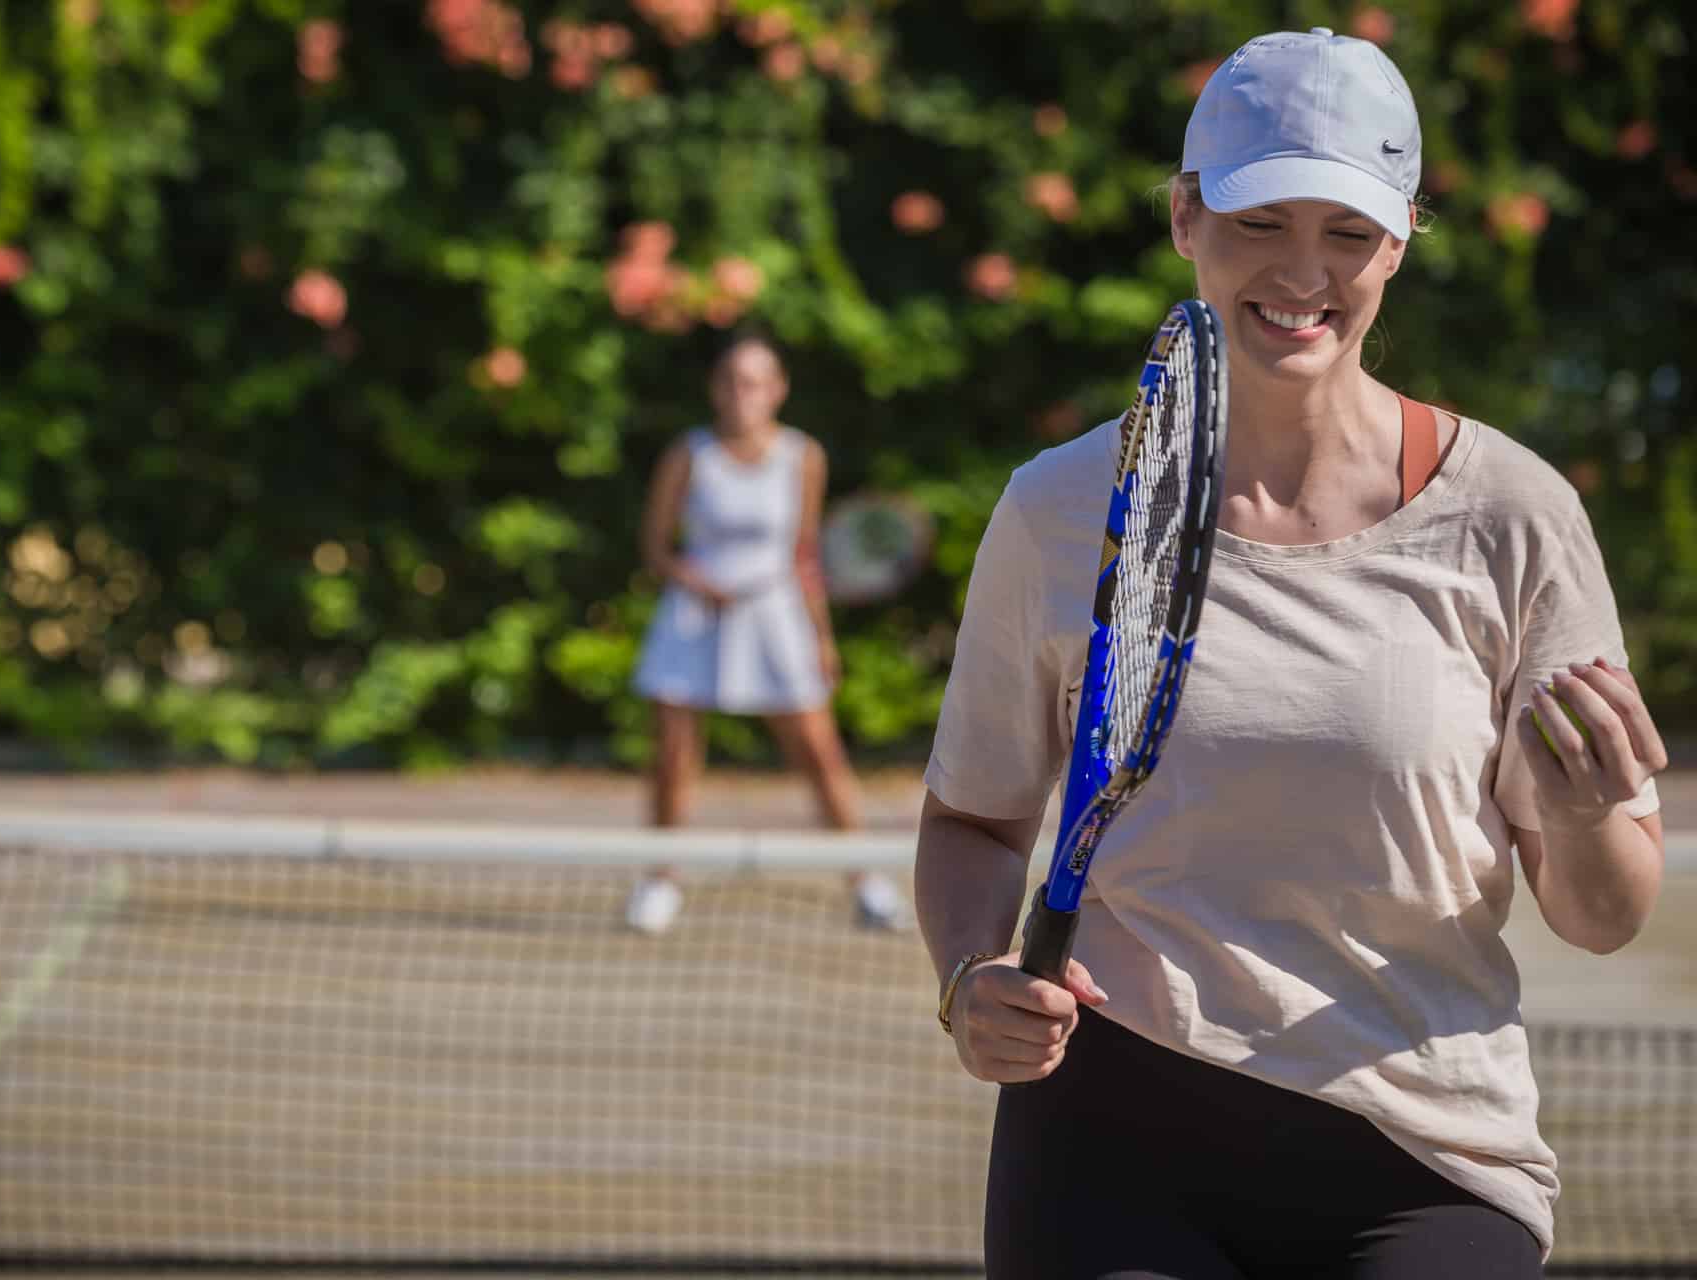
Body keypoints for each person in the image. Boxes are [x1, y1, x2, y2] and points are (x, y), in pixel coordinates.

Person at [916, 28, 1667, 1280]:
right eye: (1261, 220)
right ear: (1186, 218)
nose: (1304, 272)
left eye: (1348, 231)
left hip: (1431, 1148)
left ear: (1403, 239)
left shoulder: (1514, 515)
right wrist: (966, 978)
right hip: (1113, 1140)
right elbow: (974, 822)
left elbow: (1600, 916)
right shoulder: (1058, 509)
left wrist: (1590, 815)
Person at [624, 331, 906, 934]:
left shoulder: (803, 455)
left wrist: (821, 638)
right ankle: (660, 880)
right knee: (673, 756)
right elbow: (656, 547)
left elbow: (804, 553)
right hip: (693, 618)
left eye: (753, 382)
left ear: (777, 390)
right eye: (730, 381)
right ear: (715, 389)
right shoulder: (689, 454)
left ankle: (864, 881)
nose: (741, 393)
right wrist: (696, 580)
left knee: (819, 751)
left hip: (777, 617)